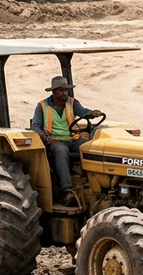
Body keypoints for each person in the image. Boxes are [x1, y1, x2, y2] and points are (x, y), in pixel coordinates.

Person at [31, 76, 103, 206]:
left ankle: (93, 183)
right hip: (53, 140)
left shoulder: (72, 102)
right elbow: (35, 126)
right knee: (61, 150)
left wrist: (92, 113)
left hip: (72, 139)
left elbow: (83, 112)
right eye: (61, 90)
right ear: (53, 92)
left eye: (66, 90)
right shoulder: (42, 106)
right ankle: (66, 190)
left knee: (89, 147)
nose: (64, 93)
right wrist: (44, 136)